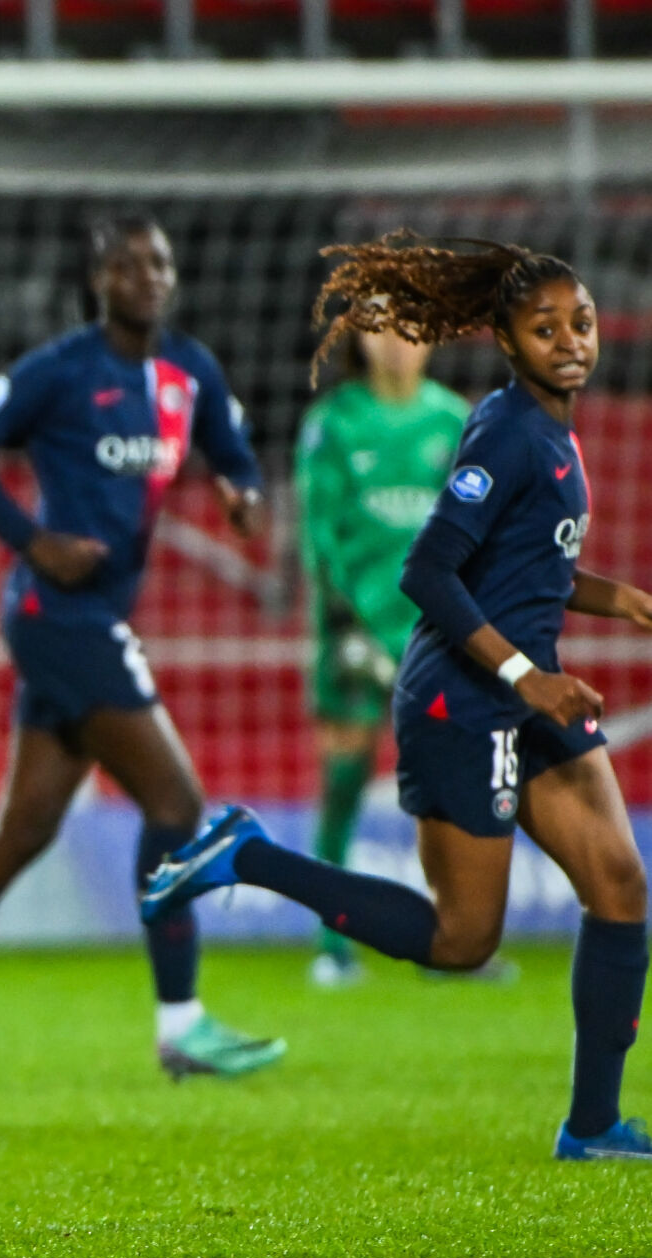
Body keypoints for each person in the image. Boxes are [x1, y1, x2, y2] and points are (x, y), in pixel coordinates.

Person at [147, 233, 652, 1161]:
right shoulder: (505, 432)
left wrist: (615, 599)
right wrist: (525, 677)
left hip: (522, 687)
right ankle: (249, 854)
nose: (570, 341)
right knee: (462, 942)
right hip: (464, 696)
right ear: (505, 339)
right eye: (544, 328)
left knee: (619, 887)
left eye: (580, 323)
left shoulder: (547, 428)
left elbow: (524, 565)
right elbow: (428, 570)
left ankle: (591, 1126)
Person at [0, 216, 286, 1088]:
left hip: (92, 616)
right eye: (127, 264)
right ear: (98, 280)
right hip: (58, 614)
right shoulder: (61, 369)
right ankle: (181, 1023)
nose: (147, 275)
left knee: (25, 827)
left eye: (159, 262)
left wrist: (242, 493)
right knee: (176, 801)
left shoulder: (188, 371)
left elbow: (235, 456)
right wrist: (31, 539)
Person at [295, 328, 474, 987]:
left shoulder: (454, 422)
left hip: (435, 632)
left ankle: (453, 938)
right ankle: (332, 944)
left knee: (450, 785)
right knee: (344, 777)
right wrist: (345, 620)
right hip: (357, 627)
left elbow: (480, 530)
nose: (396, 343)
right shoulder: (335, 423)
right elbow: (317, 529)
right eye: (380, 328)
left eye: (409, 328)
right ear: (360, 339)